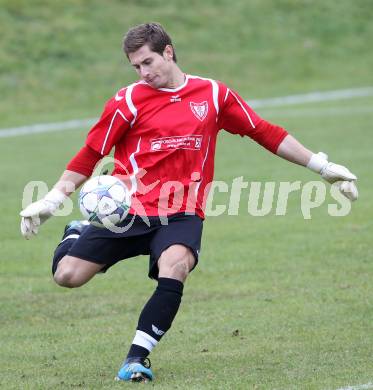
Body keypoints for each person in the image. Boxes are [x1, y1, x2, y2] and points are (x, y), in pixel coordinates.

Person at [20, 22, 358, 382]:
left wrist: (323, 166)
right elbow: (91, 153)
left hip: (182, 211)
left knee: (176, 265)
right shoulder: (128, 101)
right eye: (136, 67)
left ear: (169, 51)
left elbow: (264, 131)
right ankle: (77, 232)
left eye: (148, 62)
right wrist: (53, 199)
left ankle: (136, 359)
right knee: (67, 276)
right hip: (128, 209)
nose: (144, 73)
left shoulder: (213, 95)